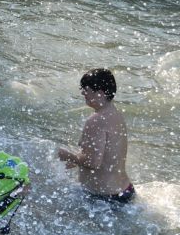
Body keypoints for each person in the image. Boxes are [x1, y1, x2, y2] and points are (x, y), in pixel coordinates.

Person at [57, 68, 134, 202]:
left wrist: (67, 155)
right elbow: (106, 154)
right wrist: (76, 161)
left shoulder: (96, 120)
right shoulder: (115, 114)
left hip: (104, 198)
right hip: (123, 190)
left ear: (100, 93)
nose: (82, 92)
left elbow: (93, 162)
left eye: (86, 89)